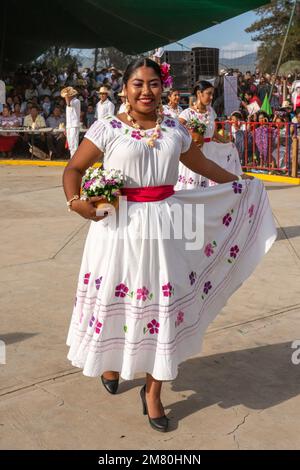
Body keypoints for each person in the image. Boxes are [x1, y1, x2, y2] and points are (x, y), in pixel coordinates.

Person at [63, 58, 276, 433]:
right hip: (117, 229)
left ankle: (153, 392)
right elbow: (74, 169)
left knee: (160, 305)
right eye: (137, 84)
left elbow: (201, 166)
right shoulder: (108, 127)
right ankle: (111, 361)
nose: (146, 91)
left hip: (166, 227)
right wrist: (76, 202)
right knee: (120, 298)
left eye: (153, 84)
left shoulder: (174, 129)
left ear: (163, 88)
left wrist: (240, 183)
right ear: (124, 89)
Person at [176, 81, 243, 189]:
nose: (211, 97)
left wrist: (227, 143)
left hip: (211, 152)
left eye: (212, 94)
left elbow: (214, 133)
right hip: (195, 153)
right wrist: (190, 139)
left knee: (211, 184)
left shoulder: (211, 111)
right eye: (209, 93)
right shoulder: (187, 113)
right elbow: (176, 130)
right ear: (199, 93)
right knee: (193, 186)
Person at [62, 87, 81, 158]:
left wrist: (66, 97)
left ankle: (74, 159)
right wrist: (66, 127)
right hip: (69, 125)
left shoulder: (76, 101)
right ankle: (72, 158)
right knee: (70, 144)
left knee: (74, 143)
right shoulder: (69, 102)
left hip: (74, 125)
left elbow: (69, 104)